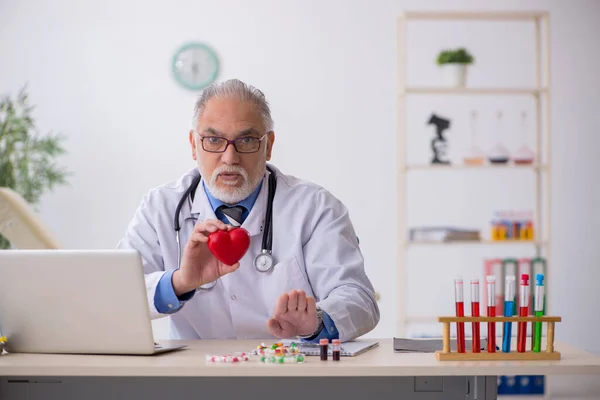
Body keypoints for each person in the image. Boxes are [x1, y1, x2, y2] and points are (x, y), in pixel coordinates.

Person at [117, 79, 379, 343]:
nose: (230, 158)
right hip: (193, 375)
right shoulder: (160, 207)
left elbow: (359, 297)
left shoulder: (316, 208)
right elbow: (116, 296)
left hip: (289, 372)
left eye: (247, 140)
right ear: (193, 145)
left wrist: (317, 322)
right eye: (213, 140)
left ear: (269, 146)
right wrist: (179, 282)